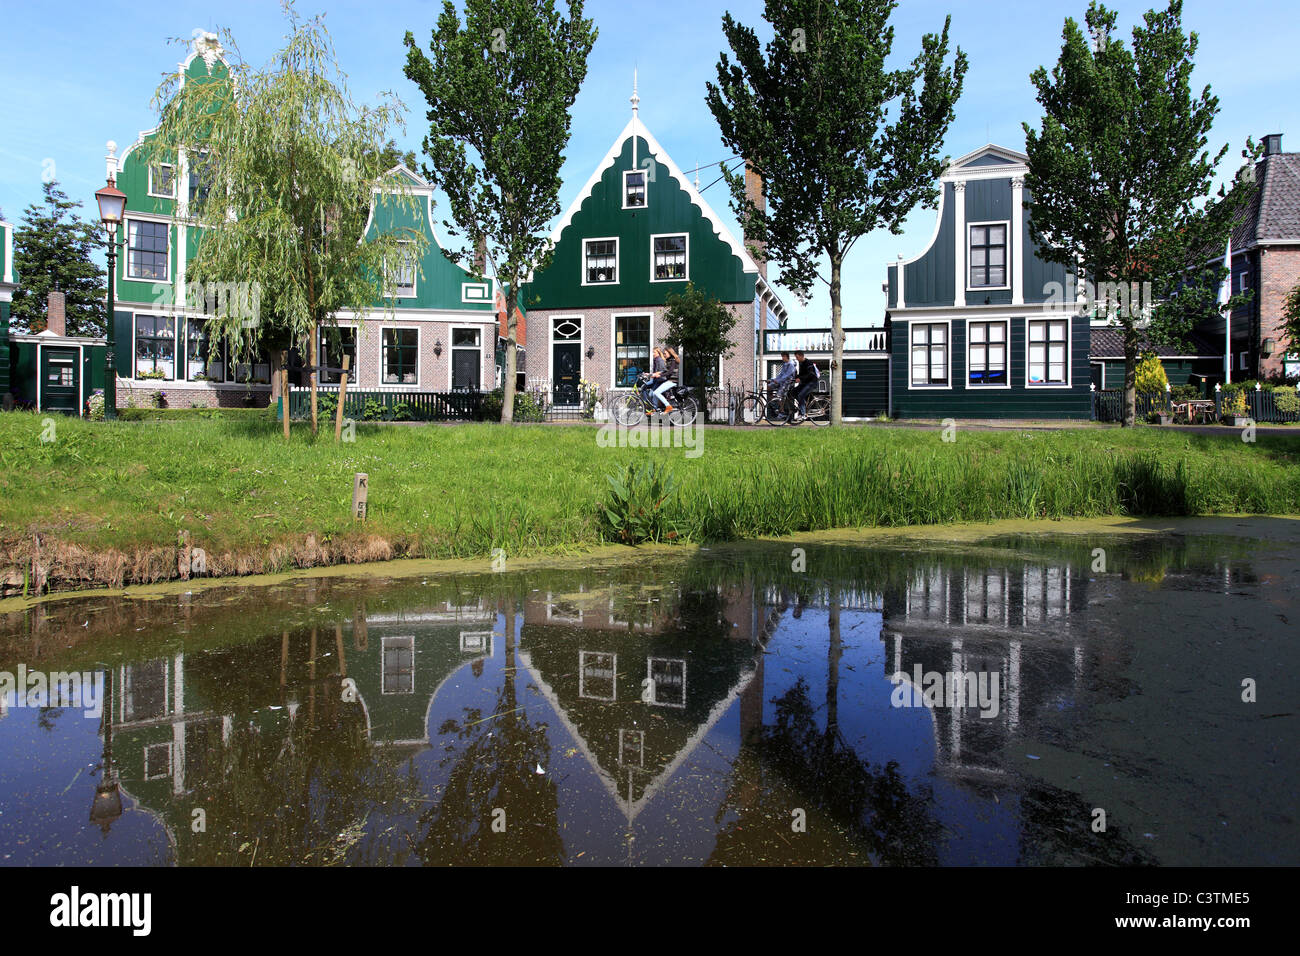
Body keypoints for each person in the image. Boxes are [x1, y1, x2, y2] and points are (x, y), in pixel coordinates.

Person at [790, 350, 820, 422]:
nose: (796, 359)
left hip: (811, 383)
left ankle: (803, 414)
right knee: (793, 392)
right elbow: (802, 374)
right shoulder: (801, 363)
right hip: (805, 383)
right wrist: (795, 377)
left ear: (801, 356)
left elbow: (810, 374)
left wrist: (800, 378)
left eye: (797, 357)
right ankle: (802, 404)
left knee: (800, 395)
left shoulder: (808, 363)